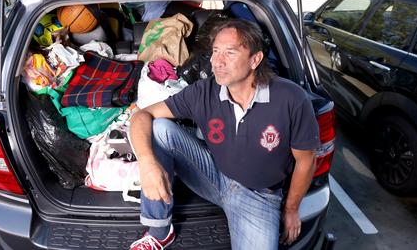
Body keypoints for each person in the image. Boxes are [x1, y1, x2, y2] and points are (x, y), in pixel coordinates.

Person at [128, 19, 320, 250]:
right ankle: (159, 231)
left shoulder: (291, 98)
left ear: (255, 59)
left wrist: (291, 209)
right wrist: (147, 165)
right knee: (159, 129)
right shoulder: (204, 91)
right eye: (215, 51)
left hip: (258, 197)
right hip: (214, 175)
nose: (216, 61)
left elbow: (306, 160)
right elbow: (141, 116)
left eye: (229, 52)